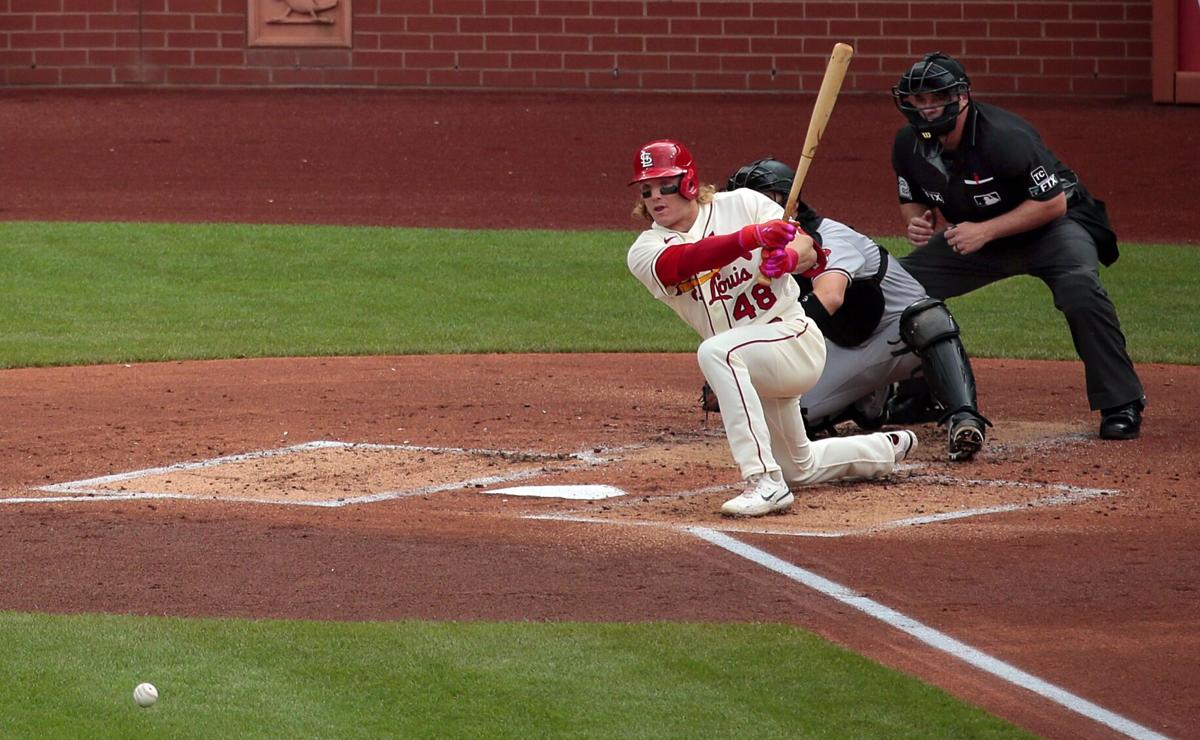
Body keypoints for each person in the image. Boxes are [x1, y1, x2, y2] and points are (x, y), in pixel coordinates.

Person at [625, 139, 918, 518]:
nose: (654, 196)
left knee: (717, 352)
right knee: (800, 466)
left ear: (689, 183)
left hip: (793, 339)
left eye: (664, 185)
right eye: (646, 189)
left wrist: (790, 257)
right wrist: (750, 239)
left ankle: (764, 480)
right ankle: (885, 448)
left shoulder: (743, 204)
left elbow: (809, 248)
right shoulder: (646, 249)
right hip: (755, 364)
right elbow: (681, 263)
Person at [890, 52, 1146, 440]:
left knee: (1080, 289)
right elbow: (912, 195)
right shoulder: (908, 144)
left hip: (1051, 228)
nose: (926, 109)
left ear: (962, 97)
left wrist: (986, 231)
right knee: (899, 286)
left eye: (936, 98)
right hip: (979, 235)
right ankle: (921, 392)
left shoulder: (1005, 137)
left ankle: (1122, 402)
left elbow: (1052, 202)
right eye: (919, 100)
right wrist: (917, 222)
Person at [725, 157, 990, 461]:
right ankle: (870, 402)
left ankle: (963, 416)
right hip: (846, 345)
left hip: (905, 337)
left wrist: (770, 348)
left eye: (762, 201)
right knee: (789, 416)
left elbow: (830, 298)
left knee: (926, 317)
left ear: (792, 205)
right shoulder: (749, 257)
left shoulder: (829, 238)